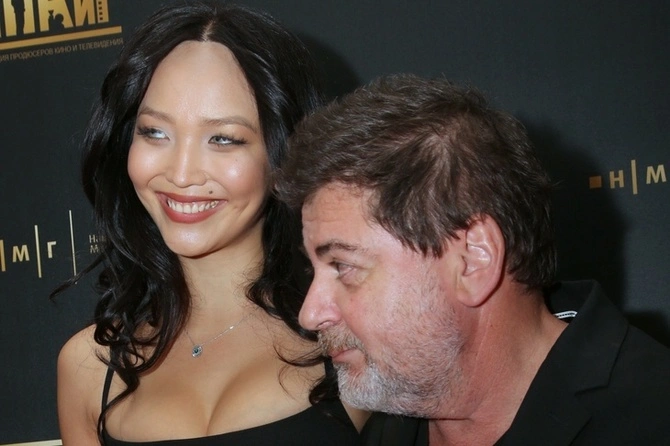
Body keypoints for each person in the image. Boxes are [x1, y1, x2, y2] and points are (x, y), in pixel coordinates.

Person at [277, 73, 670, 445]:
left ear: (472, 260)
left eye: (343, 266)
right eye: (315, 270)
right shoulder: (392, 424)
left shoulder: (650, 420)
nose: (310, 315)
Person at [55, 2, 367, 444]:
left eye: (223, 139)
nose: (182, 174)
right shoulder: (89, 367)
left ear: (284, 151)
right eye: (155, 132)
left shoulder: (356, 342)